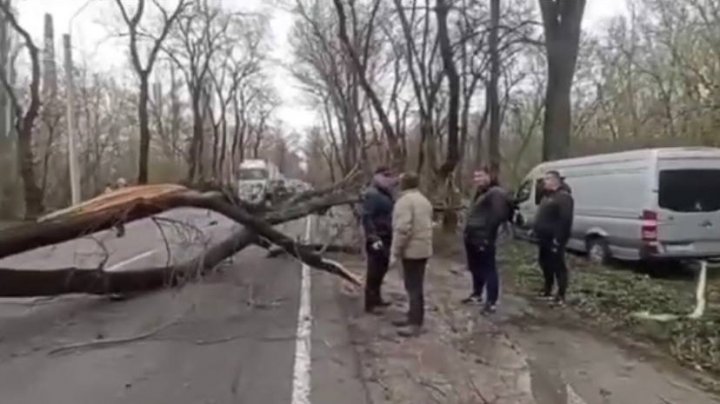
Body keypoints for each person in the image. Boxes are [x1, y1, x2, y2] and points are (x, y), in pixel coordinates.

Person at [389, 172, 433, 337]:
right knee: (415, 285)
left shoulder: (404, 202)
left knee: (413, 287)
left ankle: (415, 323)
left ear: (403, 184)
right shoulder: (424, 200)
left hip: (412, 250)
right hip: (423, 249)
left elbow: (403, 229)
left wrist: (395, 252)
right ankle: (413, 317)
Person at [463, 166, 511, 314]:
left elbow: (498, 215)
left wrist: (487, 236)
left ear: (490, 176)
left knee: (488, 269)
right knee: (475, 267)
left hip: (484, 237)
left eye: (481, 176)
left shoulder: (496, 193)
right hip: (472, 236)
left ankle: (491, 301)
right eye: (475, 177)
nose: (477, 180)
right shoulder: (481, 192)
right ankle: (477, 293)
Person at [534, 170, 574, 306]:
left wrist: (558, 239)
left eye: (547, 179)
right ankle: (547, 289)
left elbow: (565, 220)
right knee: (545, 264)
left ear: (555, 181)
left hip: (555, 239)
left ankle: (561, 295)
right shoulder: (547, 196)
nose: (544, 182)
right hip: (543, 238)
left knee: (558, 266)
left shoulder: (564, 197)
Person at [361, 166, 397, 313]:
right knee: (374, 271)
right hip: (377, 238)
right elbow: (366, 216)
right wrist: (373, 237)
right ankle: (370, 304)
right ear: (376, 177)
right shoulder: (372, 193)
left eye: (389, 176)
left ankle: (377, 298)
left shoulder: (386, 193)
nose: (388, 178)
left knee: (382, 269)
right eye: (385, 175)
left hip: (387, 236)